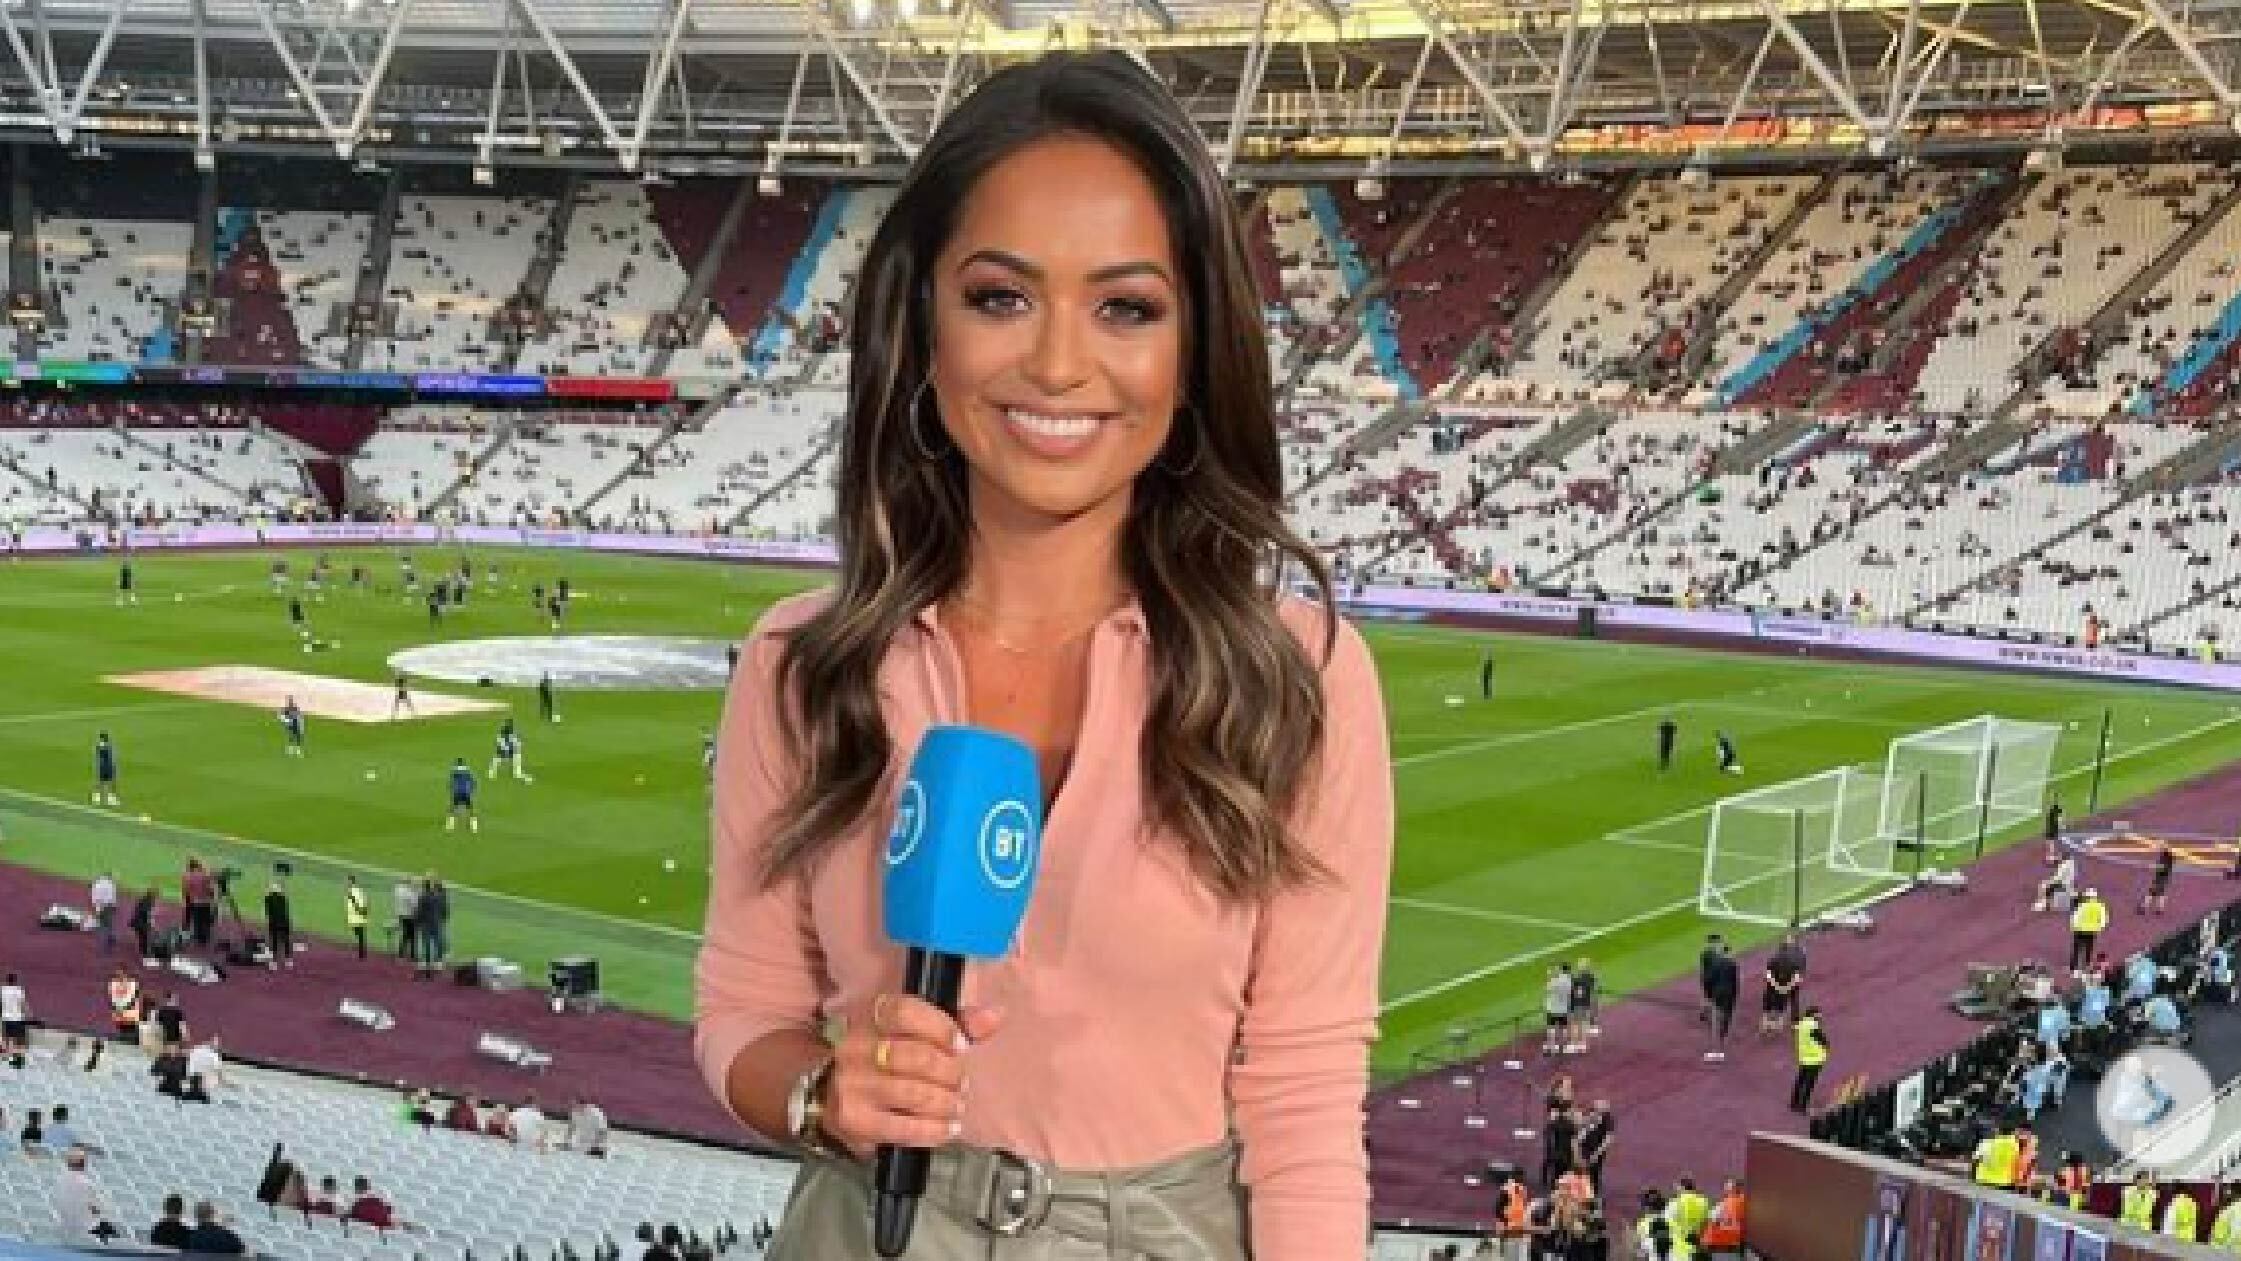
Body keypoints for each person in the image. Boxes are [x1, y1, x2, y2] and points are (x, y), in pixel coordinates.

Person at [692, 51, 1394, 1261]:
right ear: (923, 327)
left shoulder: (1300, 677)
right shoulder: (803, 665)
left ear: (1193, 347)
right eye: (1001, 297)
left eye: (1126, 306)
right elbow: (743, 1009)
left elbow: (1305, 1088)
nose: (1059, 365)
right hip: (862, 1226)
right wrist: (822, 1093)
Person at [51, 1148, 121, 1244]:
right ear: (84, 1163)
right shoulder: (85, 1183)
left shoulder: (60, 1180)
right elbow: (96, 1207)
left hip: (66, 1226)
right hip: (87, 1229)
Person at [1703, 942, 1739, 1061]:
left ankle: (1715, 1049)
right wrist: (1735, 996)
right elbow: (1735, 982)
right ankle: (1722, 1042)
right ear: (1729, 952)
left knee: (1716, 1019)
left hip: (1717, 994)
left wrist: (1709, 995)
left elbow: (1708, 980)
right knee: (1726, 1018)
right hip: (1729, 994)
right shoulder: (1733, 964)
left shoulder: (1715, 964)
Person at [1790, 1006, 1829, 1112]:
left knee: (1800, 1080)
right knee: (1809, 1083)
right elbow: (1822, 1040)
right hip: (1815, 1058)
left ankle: (1794, 1103)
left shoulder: (1801, 1025)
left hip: (1804, 1056)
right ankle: (1803, 1106)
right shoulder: (1813, 1026)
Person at [2070, 888, 2109, 974]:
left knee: (2077, 948)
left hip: (2080, 929)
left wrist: (2073, 927)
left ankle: (2074, 967)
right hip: (2092, 930)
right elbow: (2104, 919)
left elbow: (2076, 916)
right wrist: (2099, 928)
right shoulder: (2100, 906)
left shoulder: (2083, 904)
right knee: (2089, 948)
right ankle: (2086, 965)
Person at [488, 718, 533, 784]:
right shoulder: (512, 736)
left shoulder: (502, 736)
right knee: (516, 769)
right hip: (511, 753)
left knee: (495, 761)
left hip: (506, 753)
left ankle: (491, 773)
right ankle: (520, 775)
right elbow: (518, 745)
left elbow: (500, 745)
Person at [262, 879, 293, 968]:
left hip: (274, 922)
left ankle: (273, 962)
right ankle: (288, 960)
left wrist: (267, 892)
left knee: (274, 942)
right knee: (285, 940)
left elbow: (268, 912)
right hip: (285, 922)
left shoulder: (268, 899)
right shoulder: (283, 898)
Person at [444, 759, 478, 833]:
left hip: (458, 792)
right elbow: (473, 783)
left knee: (452, 809)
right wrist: (472, 792)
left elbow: (451, 784)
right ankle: (474, 827)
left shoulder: (454, 772)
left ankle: (450, 826)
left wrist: (451, 792)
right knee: (470, 809)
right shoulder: (468, 772)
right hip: (466, 793)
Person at [2143, 840, 2176, 916]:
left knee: (2152, 892)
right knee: (2160, 893)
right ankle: (2159, 909)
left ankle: (2145, 907)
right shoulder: (2168, 858)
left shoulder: (2165, 859)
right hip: (2163, 878)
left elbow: (2162, 868)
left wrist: (2154, 867)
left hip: (2160, 878)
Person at [88, 870, 117, 954]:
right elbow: (113, 896)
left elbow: (94, 898)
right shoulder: (111, 884)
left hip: (100, 907)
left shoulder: (96, 884)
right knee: (109, 924)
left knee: (102, 926)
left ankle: (106, 942)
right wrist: (114, 906)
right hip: (109, 906)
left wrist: (96, 908)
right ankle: (109, 942)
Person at [1, 971, 29, 1054]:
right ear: (15, 981)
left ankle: (7, 1052)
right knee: (18, 1039)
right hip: (17, 1017)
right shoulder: (19, 990)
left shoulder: (2, 990)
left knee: (7, 1038)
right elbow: (23, 1004)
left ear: (7, 981)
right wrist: (26, 1013)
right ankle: (16, 1053)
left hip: (6, 1017)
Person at [344, 876, 370, 960]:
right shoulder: (351, 891)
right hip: (354, 916)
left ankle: (362, 953)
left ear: (352, 882)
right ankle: (361, 952)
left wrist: (361, 911)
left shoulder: (356, 891)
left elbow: (361, 903)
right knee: (358, 934)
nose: (347, 883)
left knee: (360, 934)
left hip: (358, 916)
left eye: (349, 881)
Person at [92, 730, 119, 806]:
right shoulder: (104, 746)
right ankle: (101, 797)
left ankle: (101, 797)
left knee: (105, 783)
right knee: (105, 783)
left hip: (105, 766)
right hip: (105, 766)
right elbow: (108, 756)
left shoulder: (105, 745)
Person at [2043, 798, 2065, 864]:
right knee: (2054, 845)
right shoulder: (2056, 818)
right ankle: (2052, 858)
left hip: (2049, 832)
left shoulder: (2050, 816)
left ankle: (2051, 857)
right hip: (2053, 833)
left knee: (2051, 845)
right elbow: (2060, 825)